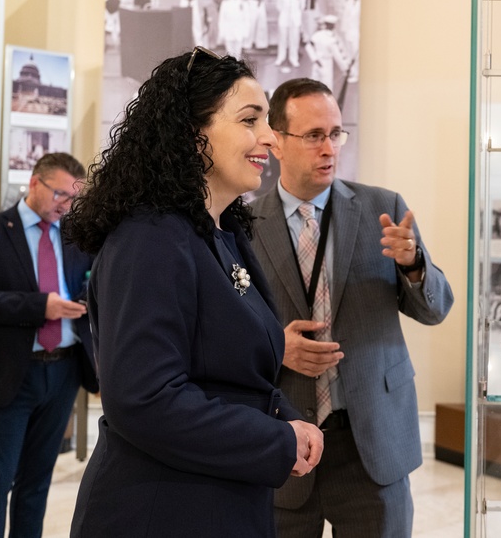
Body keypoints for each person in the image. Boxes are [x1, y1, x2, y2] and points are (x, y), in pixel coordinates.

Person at [65, 48, 323, 536]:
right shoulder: (151, 237)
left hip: (217, 501)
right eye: (250, 120)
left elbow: (233, 375)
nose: (269, 137)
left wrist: (288, 420)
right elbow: (144, 399)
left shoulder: (221, 233)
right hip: (159, 511)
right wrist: (275, 440)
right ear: (190, 132)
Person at [250, 78, 454, 538]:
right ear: (277, 142)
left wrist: (414, 264)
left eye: (336, 133)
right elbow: (222, 331)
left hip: (371, 442)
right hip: (283, 440)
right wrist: (273, 349)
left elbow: (436, 309)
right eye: (314, 135)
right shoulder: (242, 226)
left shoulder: (383, 209)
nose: (329, 148)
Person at [0, 152, 97, 538]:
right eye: (60, 194)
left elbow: (88, 284)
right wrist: (39, 306)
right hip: (10, 372)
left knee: (37, 482)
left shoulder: (74, 236)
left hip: (62, 371)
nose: (66, 204)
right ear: (34, 183)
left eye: (73, 198)